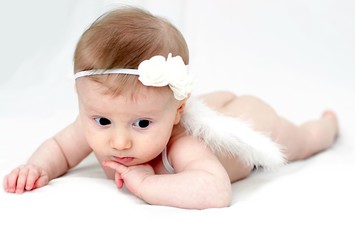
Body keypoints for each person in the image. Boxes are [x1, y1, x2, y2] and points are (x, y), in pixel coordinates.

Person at [2, 7, 338, 209]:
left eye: (142, 124)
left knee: (300, 142)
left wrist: (148, 185)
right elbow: (60, 148)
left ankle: (326, 127)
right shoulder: (93, 123)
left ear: (176, 114)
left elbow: (215, 190)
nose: (119, 142)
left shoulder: (180, 144)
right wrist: (38, 167)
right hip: (201, 106)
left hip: (248, 121)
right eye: (103, 120)